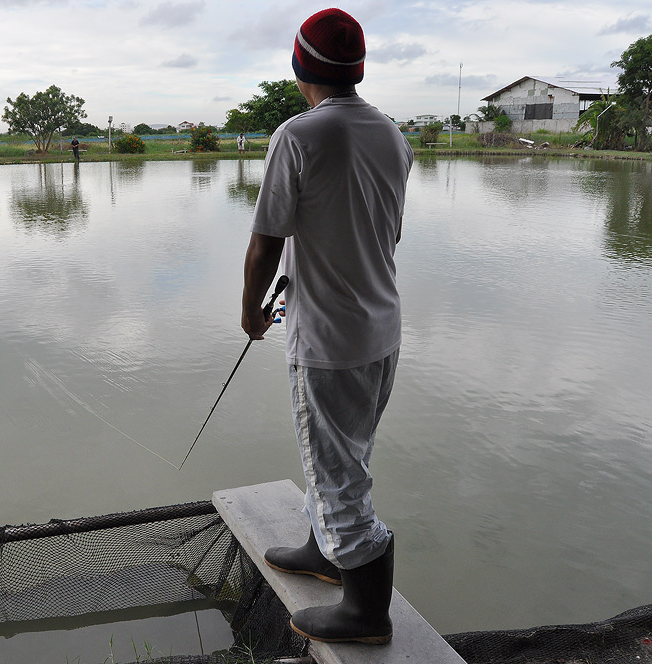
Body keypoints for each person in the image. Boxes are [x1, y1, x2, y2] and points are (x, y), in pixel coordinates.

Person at [240, 7, 413, 646]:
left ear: (298, 65)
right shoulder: (392, 134)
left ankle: (368, 614)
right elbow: (383, 232)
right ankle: (324, 551)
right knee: (344, 456)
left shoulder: (298, 135)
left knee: (339, 474)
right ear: (357, 69)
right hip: (381, 332)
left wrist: (250, 310)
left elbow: (265, 242)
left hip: (330, 342)